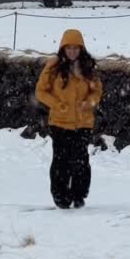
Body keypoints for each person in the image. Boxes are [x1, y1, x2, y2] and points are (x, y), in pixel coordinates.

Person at [35, 28, 103, 209]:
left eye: (76, 47)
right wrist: (57, 104)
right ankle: (60, 197)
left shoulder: (88, 68)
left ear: (81, 48)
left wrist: (89, 103)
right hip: (59, 122)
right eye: (69, 48)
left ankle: (79, 195)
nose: (72, 51)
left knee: (81, 161)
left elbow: (97, 92)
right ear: (63, 49)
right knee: (61, 161)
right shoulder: (53, 67)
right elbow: (40, 91)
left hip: (83, 122)